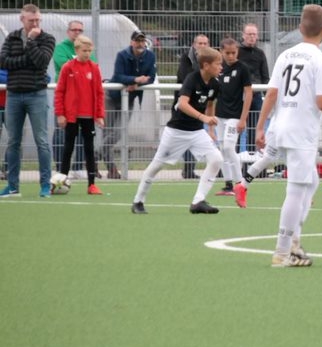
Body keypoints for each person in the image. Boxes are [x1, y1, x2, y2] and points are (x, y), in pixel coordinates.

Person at [256, 4, 322, 267]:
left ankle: (294, 240)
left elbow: (271, 94)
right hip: (301, 132)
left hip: (280, 126)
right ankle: (283, 251)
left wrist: (260, 127)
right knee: (295, 190)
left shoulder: (285, 54)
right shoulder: (321, 60)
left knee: (311, 181)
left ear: (300, 28)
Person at [131, 46, 225, 215]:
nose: (221, 67)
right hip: (176, 131)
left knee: (216, 159)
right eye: (218, 64)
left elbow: (210, 105)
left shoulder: (214, 84)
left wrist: (210, 129)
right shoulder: (192, 79)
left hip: (197, 132)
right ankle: (138, 201)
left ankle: (198, 201)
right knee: (157, 165)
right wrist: (203, 118)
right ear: (206, 65)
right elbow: (182, 104)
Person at [0, 4, 56, 198]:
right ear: (22, 19)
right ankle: (12, 186)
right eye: (31, 20)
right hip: (14, 95)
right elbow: (3, 62)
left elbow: (41, 61)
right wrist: (27, 59)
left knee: (42, 141)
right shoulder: (12, 37)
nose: (35, 23)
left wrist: (31, 42)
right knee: (13, 141)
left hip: (36, 94)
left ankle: (45, 185)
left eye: (38, 20)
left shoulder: (47, 38)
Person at [53, 34, 105, 195]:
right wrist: (60, 113)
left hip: (88, 116)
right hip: (71, 116)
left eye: (89, 51)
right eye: (84, 50)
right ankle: (61, 181)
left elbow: (99, 93)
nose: (87, 53)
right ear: (76, 50)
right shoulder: (68, 67)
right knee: (68, 148)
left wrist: (99, 115)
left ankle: (91, 184)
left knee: (89, 148)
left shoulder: (94, 68)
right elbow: (59, 92)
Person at [102, 31, 157, 179]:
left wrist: (136, 85)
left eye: (142, 41)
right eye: (137, 41)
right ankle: (112, 169)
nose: (140, 44)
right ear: (132, 42)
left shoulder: (150, 56)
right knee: (107, 132)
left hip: (129, 98)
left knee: (119, 131)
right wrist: (135, 79)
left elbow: (151, 77)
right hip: (112, 97)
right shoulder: (122, 55)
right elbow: (118, 75)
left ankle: (96, 154)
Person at [52, 19, 94, 178]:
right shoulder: (60, 48)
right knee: (62, 133)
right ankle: (61, 168)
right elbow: (66, 65)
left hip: (84, 101)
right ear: (68, 32)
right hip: (67, 99)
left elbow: (92, 65)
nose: (77, 32)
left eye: (80, 30)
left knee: (84, 135)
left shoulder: (87, 48)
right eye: (74, 30)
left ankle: (78, 167)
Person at [213, 37, 253, 204]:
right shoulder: (219, 68)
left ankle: (240, 184)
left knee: (229, 148)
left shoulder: (242, 69)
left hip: (234, 116)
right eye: (227, 53)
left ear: (237, 52)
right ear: (221, 52)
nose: (230, 56)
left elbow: (248, 93)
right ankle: (228, 185)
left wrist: (243, 119)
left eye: (233, 53)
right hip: (219, 115)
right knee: (222, 149)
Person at [177, 34, 210, 179]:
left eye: (205, 43)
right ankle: (188, 168)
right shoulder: (186, 58)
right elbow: (185, 77)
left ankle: (190, 168)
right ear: (194, 44)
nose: (202, 46)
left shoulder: (210, 60)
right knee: (186, 135)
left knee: (196, 133)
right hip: (186, 103)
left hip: (200, 103)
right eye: (199, 43)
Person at [238, 23, 270, 153]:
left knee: (254, 128)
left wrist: (267, 96)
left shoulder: (260, 53)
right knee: (237, 127)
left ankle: (250, 159)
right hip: (239, 95)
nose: (252, 37)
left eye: (254, 34)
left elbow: (265, 76)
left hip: (256, 95)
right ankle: (234, 159)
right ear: (243, 35)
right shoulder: (237, 52)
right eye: (249, 34)